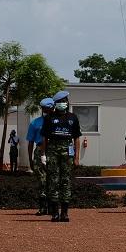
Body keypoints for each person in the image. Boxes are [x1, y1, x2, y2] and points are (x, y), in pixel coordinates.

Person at [40, 90, 82, 222]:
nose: (62, 103)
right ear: (55, 104)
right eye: (60, 102)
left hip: (67, 152)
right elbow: (44, 138)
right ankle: (55, 213)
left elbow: (77, 138)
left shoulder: (73, 117)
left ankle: (64, 213)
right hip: (53, 151)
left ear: (67, 102)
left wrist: (76, 157)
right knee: (53, 181)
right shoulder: (49, 118)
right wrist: (43, 155)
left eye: (64, 101)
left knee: (66, 181)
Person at [27, 98, 54, 214]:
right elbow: (30, 142)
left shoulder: (57, 121)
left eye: (47, 108)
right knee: (42, 179)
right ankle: (43, 207)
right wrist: (30, 160)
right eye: (43, 108)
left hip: (53, 150)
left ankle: (52, 206)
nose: (45, 110)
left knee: (53, 179)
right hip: (39, 151)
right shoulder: (35, 123)